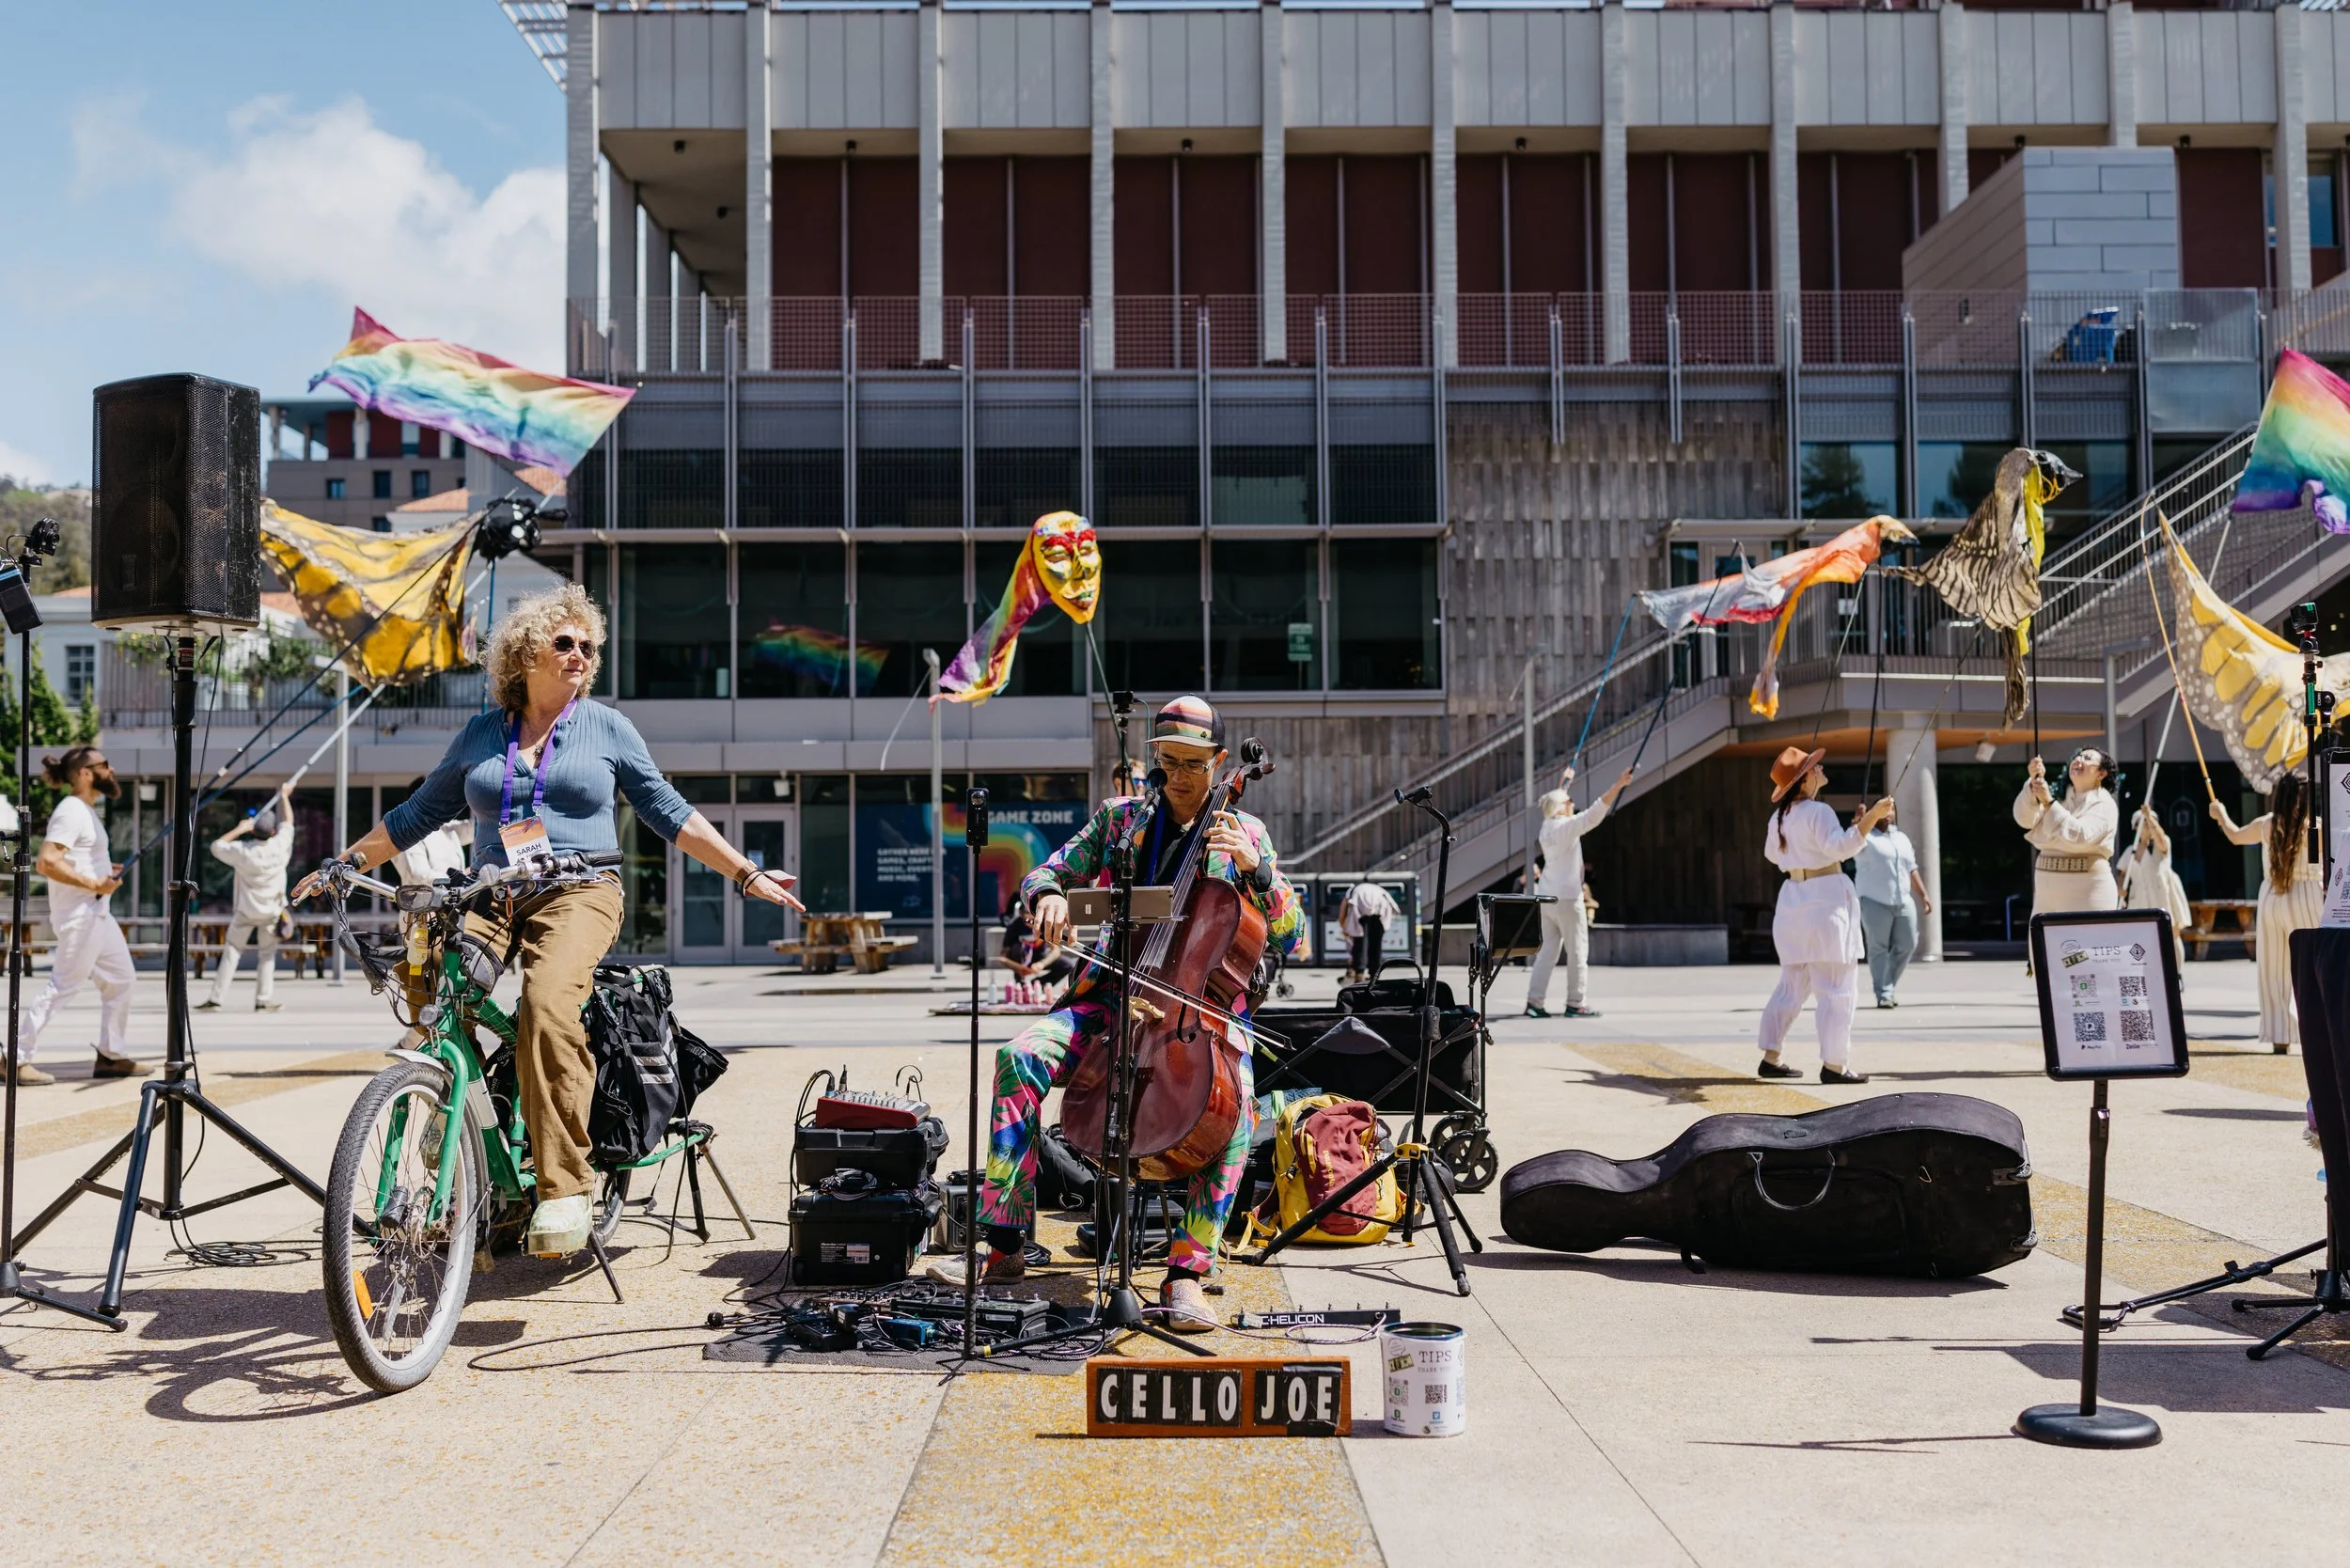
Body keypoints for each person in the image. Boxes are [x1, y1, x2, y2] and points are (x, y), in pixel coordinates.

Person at [293, 585, 802, 1257]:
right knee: (435, 996)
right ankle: (462, 1130)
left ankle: (565, 1187)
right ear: (524, 652)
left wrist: (746, 872)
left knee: (546, 1005)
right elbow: (416, 814)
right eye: (564, 643)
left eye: (589, 647)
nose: (580, 656)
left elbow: (668, 810)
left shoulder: (607, 727)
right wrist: (342, 862)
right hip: (491, 889)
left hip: (579, 888)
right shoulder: (482, 732)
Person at [925, 696, 1304, 1333]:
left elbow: (1293, 934)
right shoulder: (1121, 822)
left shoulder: (1244, 835)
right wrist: (1047, 898)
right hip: (1108, 1003)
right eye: (1167, 762)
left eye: (1192, 764)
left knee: (1237, 1106)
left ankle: (1186, 1274)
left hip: (1198, 1014)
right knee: (1018, 1058)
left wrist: (1259, 871)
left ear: (1217, 762)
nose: (1178, 776)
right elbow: (1045, 873)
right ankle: (1006, 1246)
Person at [10, 746, 148, 1087]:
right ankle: (14, 1057)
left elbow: (75, 859)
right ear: (86, 772)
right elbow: (47, 861)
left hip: (97, 912)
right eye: (105, 764)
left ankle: (111, 1055)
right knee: (62, 987)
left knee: (121, 979)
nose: (111, 768)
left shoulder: (85, 810)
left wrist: (103, 870)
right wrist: (93, 882)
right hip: (81, 915)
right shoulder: (71, 810)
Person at [1757, 745, 1893, 1085]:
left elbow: (1774, 855)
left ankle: (1771, 1055)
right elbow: (1840, 848)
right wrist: (1872, 819)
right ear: (1804, 781)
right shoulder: (1818, 811)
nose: (1820, 768)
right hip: (1825, 901)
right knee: (1836, 986)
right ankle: (1834, 1064)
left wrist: (1856, 828)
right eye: (1814, 767)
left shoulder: (1779, 817)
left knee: (1792, 983)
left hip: (1792, 901)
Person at [2211, 776, 2322, 1055]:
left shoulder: (2267, 823)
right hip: (2307, 893)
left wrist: (2221, 815)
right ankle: (2316, 1027)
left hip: (2272, 895)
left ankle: (2279, 1034)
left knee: (2273, 969)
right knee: (2312, 966)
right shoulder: (2317, 826)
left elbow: (2236, 836)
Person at [1526, 765, 1632, 1019]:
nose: (1573, 802)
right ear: (1561, 808)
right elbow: (1594, 813)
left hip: (1547, 897)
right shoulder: (1566, 827)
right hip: (1568, 898)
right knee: (1577, 952)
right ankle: (1576, 1002)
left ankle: (1534, 1002)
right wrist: (1618, 784)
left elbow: (1556, 802)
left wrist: (1564, 784)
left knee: (1547, 954)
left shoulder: (1547, 827)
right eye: (1569, 801)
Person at [199, 783, 296, 1013]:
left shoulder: (243, 851)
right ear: (272, 832)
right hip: (271, 912)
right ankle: (263, 999)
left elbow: (216, 846)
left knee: (232, 952)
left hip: (245, 911)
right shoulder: (279, 846)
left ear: (253, 831)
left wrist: (240, 829)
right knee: (266, 956)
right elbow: (289, 823)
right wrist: (283, 797)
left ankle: (216, 999)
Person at [2013, 748, 2120, 916]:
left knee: (2086, 941)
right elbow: (2024, 820)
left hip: (2089, 892)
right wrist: (2033, 786)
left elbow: (2081, 836)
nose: (2078, 759)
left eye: (2087, 758)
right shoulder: (2058, 796)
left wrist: (2048, 802)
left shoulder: (2105, 803)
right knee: (2041, 941)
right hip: (2045, 892)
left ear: (2101, 773)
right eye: (2077, 756)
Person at [1854, 799, 1931, 1009]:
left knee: (1908, 943)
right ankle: (1884, 992)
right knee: (1878, 947)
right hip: (1874, 900)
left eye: (1892, 809)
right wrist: (1857, 822)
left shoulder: (1901, 838)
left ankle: (1887, 985)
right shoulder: (1865, 836)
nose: (1888, 813)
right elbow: (1849, 846)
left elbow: (1911, 868)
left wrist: (1923, 895)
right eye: (1884, 809)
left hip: (1902, 899)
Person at [2115, 805, 2192, 971]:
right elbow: (2121, 874)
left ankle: (2177, 974)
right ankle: (2145, 971)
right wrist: (2120, 888)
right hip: (2140, 897)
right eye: (2143, 823)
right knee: (2142, 936)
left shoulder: (2161, 845)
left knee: (2172, 933)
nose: (2147, 826)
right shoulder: (2131, 851)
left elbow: (2161, 839)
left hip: (2162, 892)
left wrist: (2149, 817)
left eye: (2150, 822)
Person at [1343, 877, 1399, 985]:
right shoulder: (1376, 888)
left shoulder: (1351, 891)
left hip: (1360, 905)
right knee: (1376, 942)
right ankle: (1375, 974)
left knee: (1360, 940)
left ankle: (1360, 972)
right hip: (1380, 905)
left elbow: (1343, 912)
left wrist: (1346, 929)